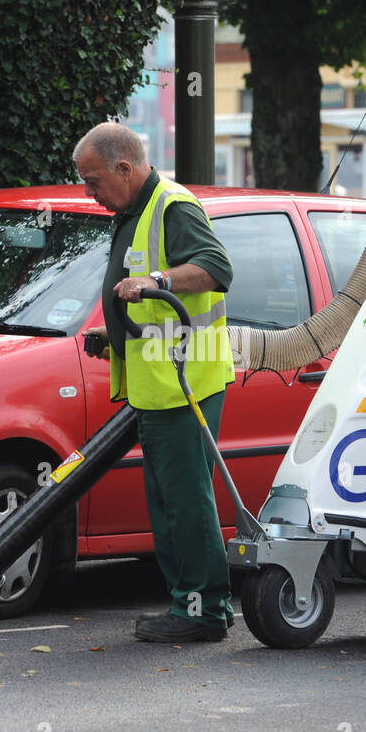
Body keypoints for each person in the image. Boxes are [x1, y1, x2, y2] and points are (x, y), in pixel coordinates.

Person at [74, 122, 236, 643]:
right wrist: (114, 331)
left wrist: (158, 282)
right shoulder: (133, 211)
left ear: (125, 168)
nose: (89, 193)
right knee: (170, 501)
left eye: (94, 181)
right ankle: (192, 605)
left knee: (184, 501)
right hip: (161, 383)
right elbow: (144, 295)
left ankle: (203, 612)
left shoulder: (172, 206)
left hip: (185, 381)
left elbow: (214, 267)